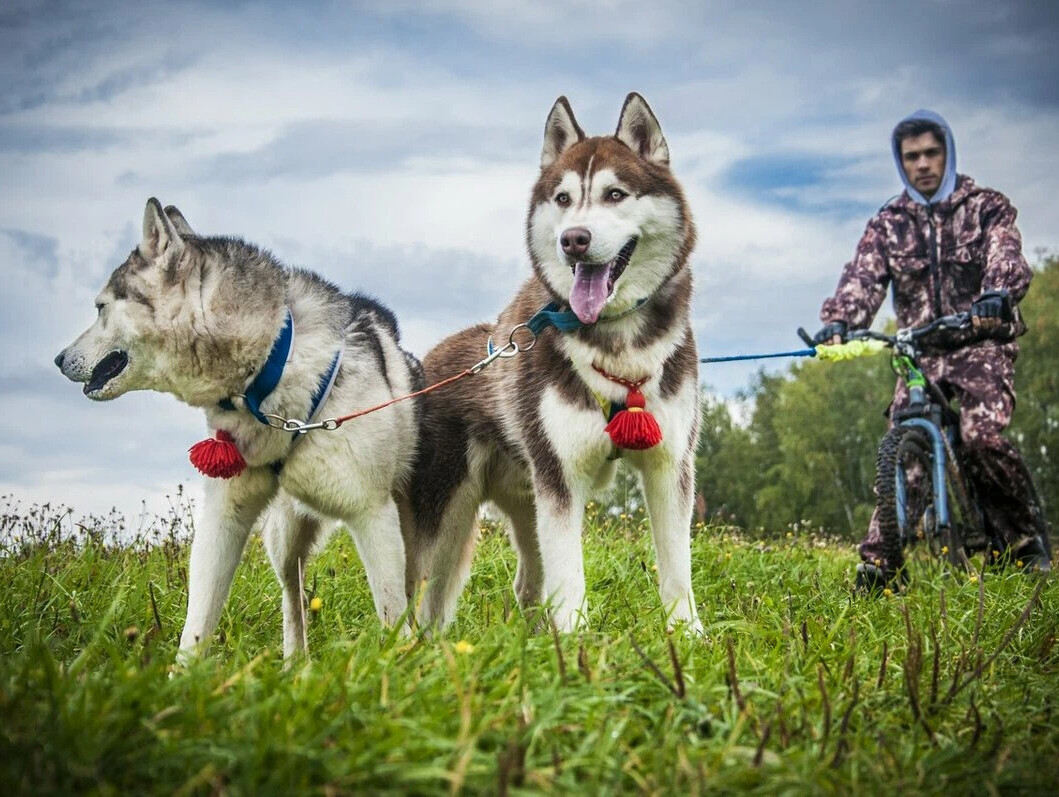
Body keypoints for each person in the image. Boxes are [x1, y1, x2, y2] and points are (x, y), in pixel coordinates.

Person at [812, 109, 1051, 590]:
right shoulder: (888, 223)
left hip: (979, 343)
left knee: (981, 436)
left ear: (948, 153)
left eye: (931, 153)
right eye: (911, 156)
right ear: (901, 163)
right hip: (919, 351)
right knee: (904, 443)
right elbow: (863, 277)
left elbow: (1006, 254)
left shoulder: (985, 207)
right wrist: (840, 320)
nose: (922, 164)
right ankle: (881, 564)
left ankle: (1024, 540)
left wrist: (997, 295)